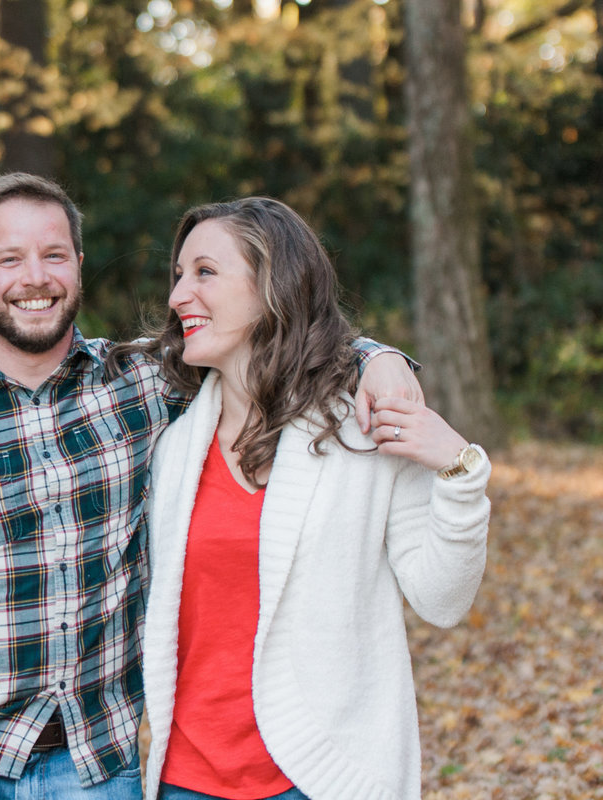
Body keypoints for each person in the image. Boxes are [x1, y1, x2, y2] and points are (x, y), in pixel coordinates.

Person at [0, 174, 422, 799]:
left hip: (96, 760)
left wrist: (380, 358)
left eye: (54, 255)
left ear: (79, 267)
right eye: (9, 259)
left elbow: (276, 334)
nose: (35, 277)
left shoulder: (141, 385)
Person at [125, 197, 490, 800]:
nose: (178, 295)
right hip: (185, 778)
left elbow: (444, 600)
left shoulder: (363, 431)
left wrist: (459, 473)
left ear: (273, 285)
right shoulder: (167, 442)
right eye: (179, 275)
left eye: (206, 272)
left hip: (320, 778)